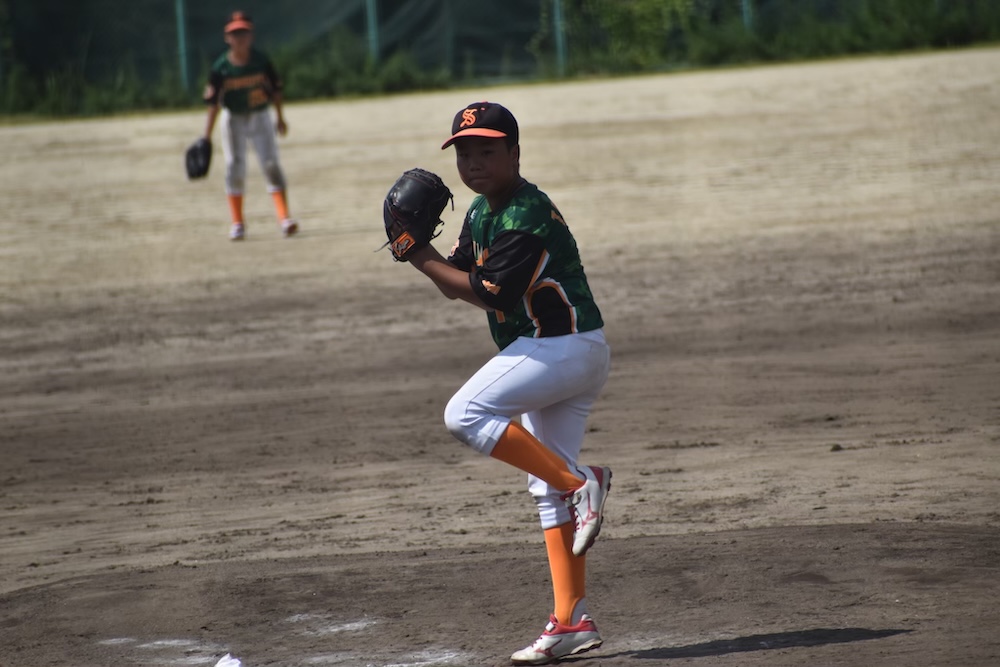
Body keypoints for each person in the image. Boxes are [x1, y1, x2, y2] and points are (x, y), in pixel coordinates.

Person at [404, 101, 613, 665]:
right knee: (545, 490)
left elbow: (487, 292)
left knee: (464, 414)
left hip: (562, 348)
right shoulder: (480, 212)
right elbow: (457, 280)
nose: (474, 162)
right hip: (557, 351)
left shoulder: (526, 213)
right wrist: (420, 253)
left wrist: (417, 254)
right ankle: (571, 621)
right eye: (464, 153)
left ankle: (581, 482)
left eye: (487, 150)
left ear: (516, 154)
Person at [201, 10, 298, 241]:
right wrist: (206, 135)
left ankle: (284, 218)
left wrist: (280, 117)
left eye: (243, 32)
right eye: (235, 33)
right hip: (233, 119)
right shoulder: (221, 67)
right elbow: (213, 103)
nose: (240, 38)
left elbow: (276, 90)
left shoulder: (261, 61)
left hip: (260, 116)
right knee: (234, 166)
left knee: (271, 164)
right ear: (227, 37)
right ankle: (237, 223)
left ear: (251, 35)